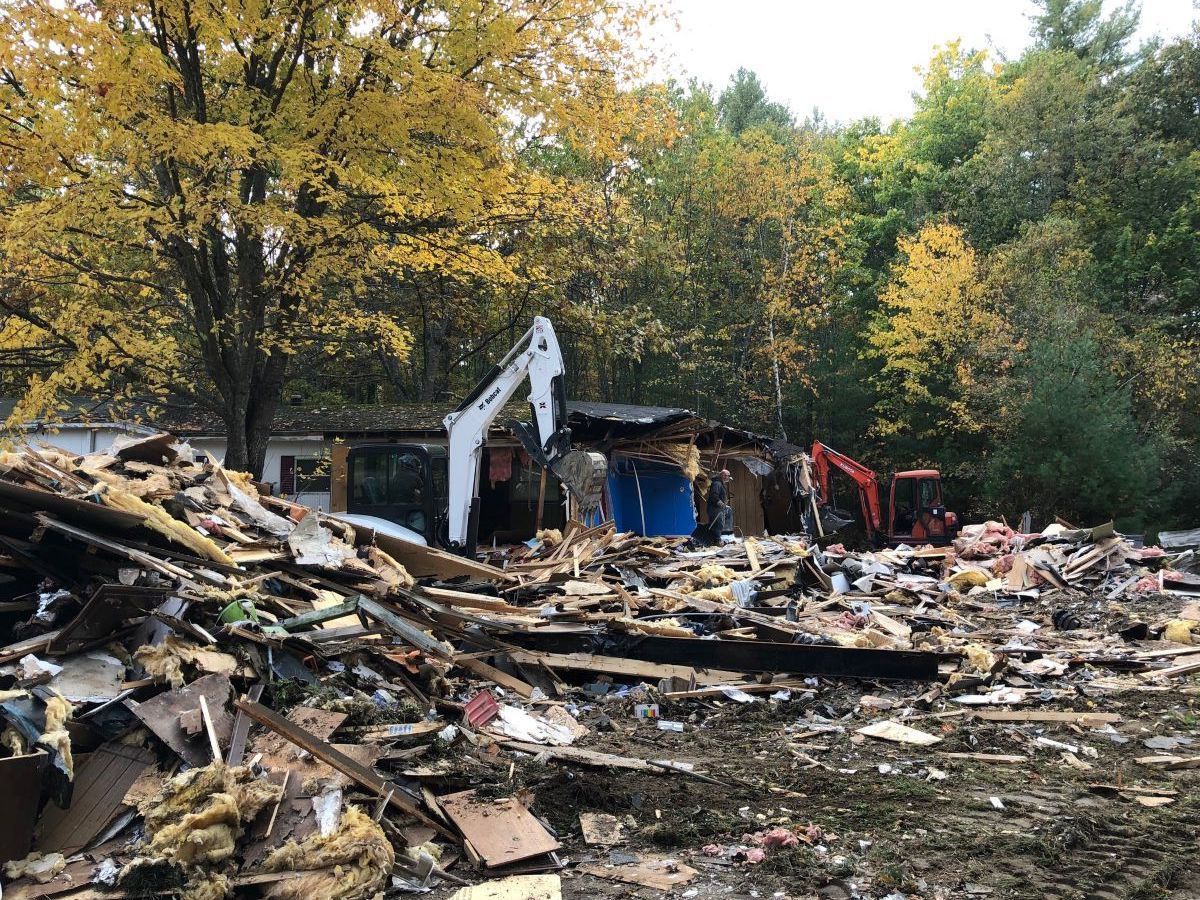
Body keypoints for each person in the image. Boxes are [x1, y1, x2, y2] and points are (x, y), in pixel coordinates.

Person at [706, 468, 733, 536]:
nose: (729, 477)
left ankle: (723, 536)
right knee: (718, 524)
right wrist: (721, 504)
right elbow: (714, 496)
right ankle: (716, 540)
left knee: (728, 512)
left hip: (718, 508)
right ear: (723, 475)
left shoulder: (721, 483)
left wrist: (724, 505)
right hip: (714, 508)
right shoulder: (717, 483)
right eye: (728, 476)